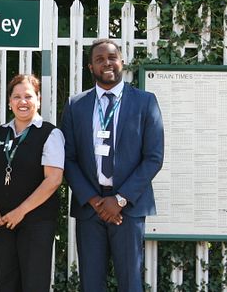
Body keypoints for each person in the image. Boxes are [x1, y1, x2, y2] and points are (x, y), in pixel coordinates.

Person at [61, 38, 164, 292]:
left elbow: (153, 157)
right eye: (99, 59)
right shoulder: (76, 105)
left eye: (111, 58)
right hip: (90, 209)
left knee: (130, 282)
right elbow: (68, 158)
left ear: (122, 62)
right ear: (90, 67)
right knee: (91, 284)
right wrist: (96, 201)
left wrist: (119, 200)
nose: (106, 63)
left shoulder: (145, 102)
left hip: (128, 208)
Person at [0, 74, 64, 292]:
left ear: (38, 99)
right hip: (2, 223)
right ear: (10, 102)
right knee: (6, 284)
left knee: (34, 284)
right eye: (16, 97)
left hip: (36, 223)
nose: (22, 101)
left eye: (28, 96)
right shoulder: (0, 133)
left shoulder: (50, 133)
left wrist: (21, 211)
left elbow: (53, 180)